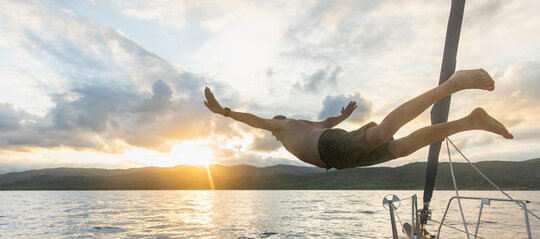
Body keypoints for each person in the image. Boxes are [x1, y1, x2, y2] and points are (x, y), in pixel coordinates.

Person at [203, 69, 513, 170]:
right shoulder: (305, 126)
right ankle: (470, 121)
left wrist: (226, 112)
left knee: (380, 135)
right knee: (400, 149)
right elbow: (327, 122)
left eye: (273, 126)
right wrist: (343, 115)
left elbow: (255, 120)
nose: (270, 130)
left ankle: (451, 85)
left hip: (332, 151)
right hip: (338, 156)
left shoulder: (282, 126)